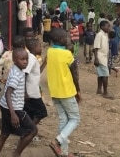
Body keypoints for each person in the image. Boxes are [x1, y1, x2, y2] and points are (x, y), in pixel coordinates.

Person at [0, 48, 37, 157]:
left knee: (4, 134)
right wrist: (13, 114)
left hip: (5, 106)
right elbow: (8, 93)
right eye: (22, 59)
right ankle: (16, 154)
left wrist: (23, 94)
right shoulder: (17, 75)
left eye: (26, 59)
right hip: (14, 109)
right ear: (15, 60)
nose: (25, 61)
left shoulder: (16, 69)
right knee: (33, 130)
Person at [43, 28, 80, 157]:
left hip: (55, 91)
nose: (68, 39)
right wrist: (78, 90)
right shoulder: (67, 55)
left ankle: (64, 153)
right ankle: (57, 141)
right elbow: (75, 73)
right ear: (60, 39)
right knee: (75, 119)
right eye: (66, 37)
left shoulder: (49, 51)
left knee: (63, 119)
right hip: (67, 91)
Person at [23, 39, 47, 125]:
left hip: (32, 92)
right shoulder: (31, 59)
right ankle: (30, 131)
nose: (41, 49)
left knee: (30, 113)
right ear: (34, 48)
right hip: (31, 93)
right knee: (42, 112)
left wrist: (45, 63)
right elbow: (25, 74)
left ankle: (28, 132)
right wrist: (25, 92)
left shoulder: (33, 58)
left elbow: (36, 72)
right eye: (39, 47)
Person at [93, 20, 113, 99]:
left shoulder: (105, 35)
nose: (109, 28)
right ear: (102, 27)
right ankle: (105, 92)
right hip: (100, 57)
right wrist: (96, 59)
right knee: (105, 74)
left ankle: (99, 89)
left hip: (104, 57)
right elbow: (95, 48)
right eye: (107, 26)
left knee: (101, 74)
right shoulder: (99, 35)